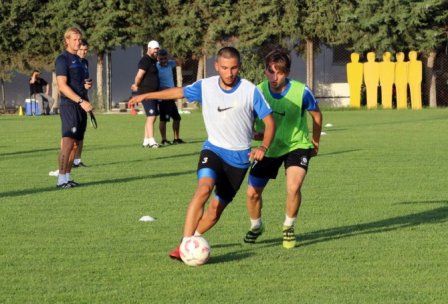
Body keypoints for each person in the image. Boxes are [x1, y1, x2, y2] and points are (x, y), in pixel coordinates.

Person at [128, 47, 275, 260]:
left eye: (234, 68)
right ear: (217, 67)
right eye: (225, 68)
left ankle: (193, 240)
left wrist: (262, 147)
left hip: (239, 159)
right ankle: (184, 244)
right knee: (203, 189)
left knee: (215, 210)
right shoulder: (205, 86)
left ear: (239, 67)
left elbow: (270, 123)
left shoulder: (250, 90)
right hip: (213, 149)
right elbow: (177, 92)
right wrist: (146, 95)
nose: (229, 73)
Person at [243, 49, 322, 249]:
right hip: (268, 148)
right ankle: (256, 226)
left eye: (279, 72)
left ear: (286, 72)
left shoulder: (302, 91)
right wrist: (254, 133)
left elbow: (317, 117)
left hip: (297, 144)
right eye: (270, 71)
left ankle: (288, 227)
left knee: (293, 187)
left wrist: (315, 141)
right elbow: (248, 116)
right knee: (252, 193)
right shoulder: (258, 91)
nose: (274, 77)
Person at [54, 27, 93, 188]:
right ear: (67, 41)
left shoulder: (81, 61)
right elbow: (62, 86)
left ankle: (68, 178)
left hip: (80, 105)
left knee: (76, 144)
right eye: (74, 39)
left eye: (79, 39)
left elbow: (77, 83)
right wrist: (80, 101)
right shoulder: (63, 59)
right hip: (70, 105)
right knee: (68, 142)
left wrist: (86, 86)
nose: (78, 42)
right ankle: (60, 179)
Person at [131, 40, 161, 148]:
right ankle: (152, 141)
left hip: (153, 93)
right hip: (146, 93)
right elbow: (139, 75)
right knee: (152, 116)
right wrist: (136, 85)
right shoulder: (145, 60)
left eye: (157, 49)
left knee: (151, 116)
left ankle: (146, 141)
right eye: (154, 49)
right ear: (149, 49)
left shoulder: (153, 60)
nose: (156, 51)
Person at [157, 49, 184, 145]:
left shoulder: (170, 64)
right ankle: (164, 140)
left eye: (165, 58)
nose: (163, 61)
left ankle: (176, 139)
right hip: (163, 96)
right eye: (161, 59)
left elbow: (179, 62)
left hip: (171, 96)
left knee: (177, 118)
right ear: (158, 58)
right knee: (163, 119)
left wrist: (175, 55)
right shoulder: (156, 67)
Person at [73, 39, 92, 168]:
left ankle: (77, 160)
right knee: (70, 134)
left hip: (84, 100)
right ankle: (68, 160)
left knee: (81, 133)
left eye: (86, 50)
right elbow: (69, 83)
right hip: (73, 101)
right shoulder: (71, 61)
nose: (84, 52)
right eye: (82, 49)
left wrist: (87, 86)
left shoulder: (85, 62)